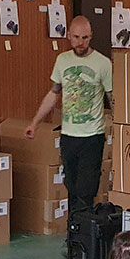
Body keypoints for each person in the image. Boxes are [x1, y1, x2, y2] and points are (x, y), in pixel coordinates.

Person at [24, 15, 112, 214]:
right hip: (69, 136)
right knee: (71, 187)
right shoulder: (62, 60)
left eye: (86, 38)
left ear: (91, 37)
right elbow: (53, 93)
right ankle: (74, 235)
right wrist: (35, 123)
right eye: (77, 37)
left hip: (92, 136)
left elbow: (112, 96)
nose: (81, 43)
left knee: (86, 189)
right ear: (68, 37)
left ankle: (84, 235)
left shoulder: (103, 63)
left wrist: (124, 128)